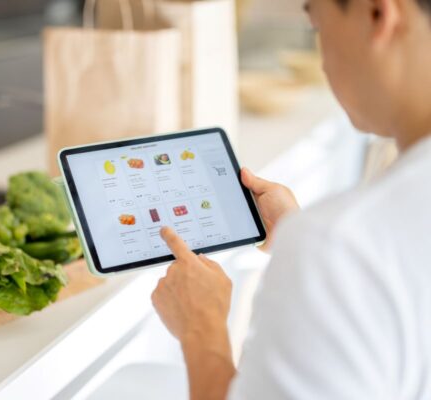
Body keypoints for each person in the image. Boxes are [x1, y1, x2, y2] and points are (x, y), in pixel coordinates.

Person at [151, 0, 431, 398]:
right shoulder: (342, 246)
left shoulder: (336, 245)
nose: (321, 62)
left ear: (378, 15)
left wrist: (202, 327)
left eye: (317, 28)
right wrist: (302, 247)